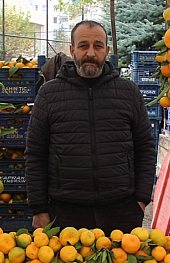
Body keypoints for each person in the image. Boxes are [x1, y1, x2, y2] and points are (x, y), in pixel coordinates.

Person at [25, 20, 156, 233]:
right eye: (83, 45)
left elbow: (145, 148)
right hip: (65, 212)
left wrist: (141, 200)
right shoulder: (49, 94)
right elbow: (35, 154)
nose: (91, 53)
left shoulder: (128, 92)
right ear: (72, 50)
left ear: (107, 50)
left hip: (121, 211)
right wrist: (39, 208)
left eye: (98, 46)